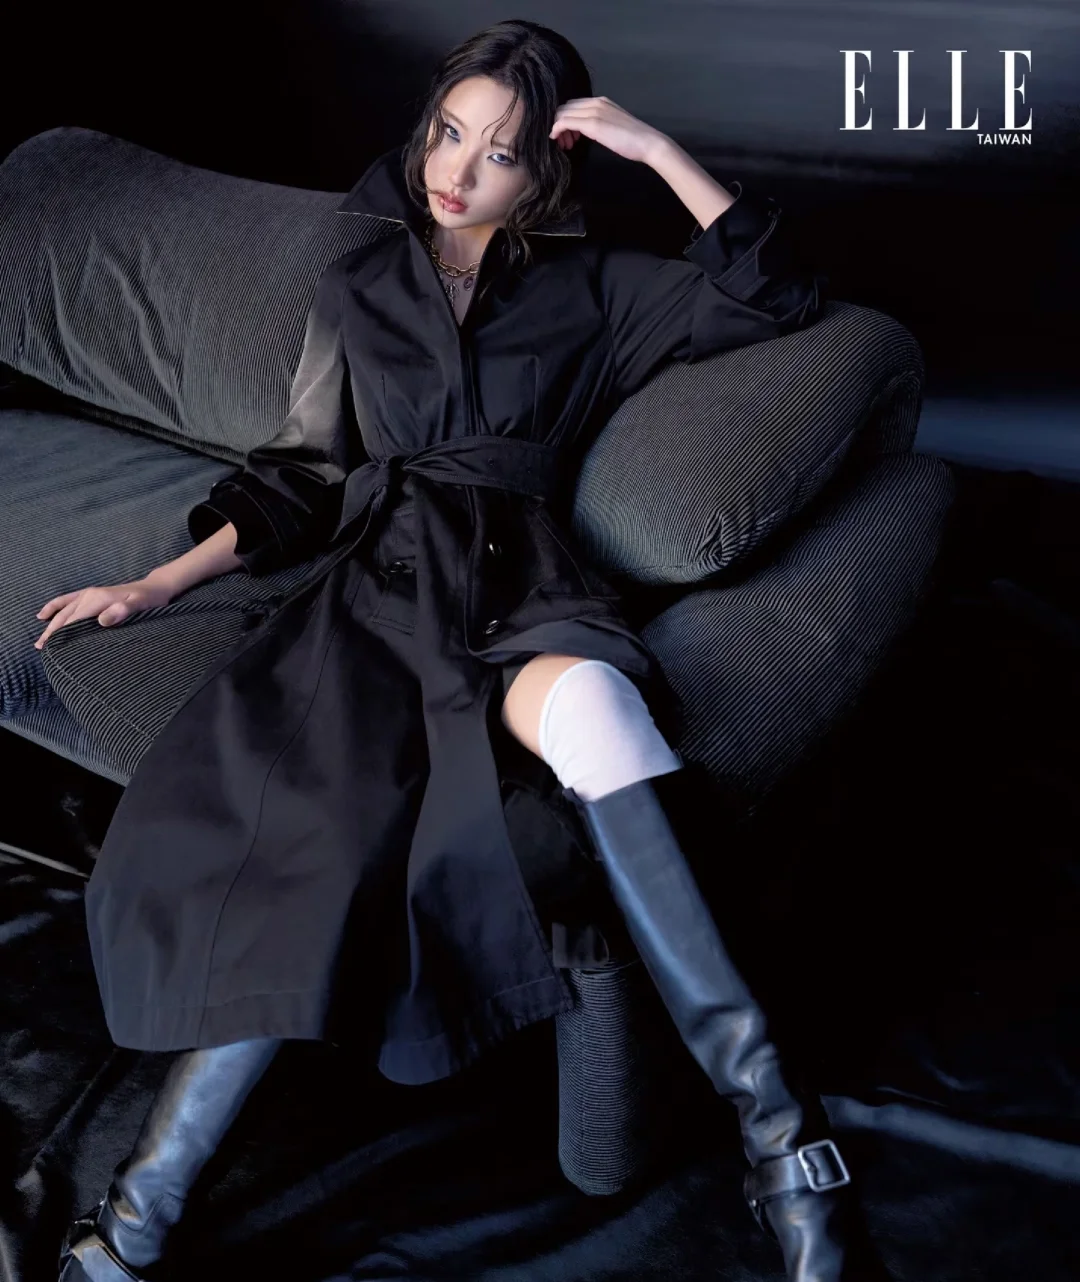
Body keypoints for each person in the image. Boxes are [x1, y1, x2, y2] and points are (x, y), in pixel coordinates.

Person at [37, 19, 887, 1282]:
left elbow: (777, 292)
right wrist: (156, 582)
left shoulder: (599, 292)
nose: (458, 170)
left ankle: (787, 1146)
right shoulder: (360, 287)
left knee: (600, 709)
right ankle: (135, 1218)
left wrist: (655, 149)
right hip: (377, 604)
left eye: (499, 152)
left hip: (522, 582)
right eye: (449, 134)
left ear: (543, 171)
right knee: (310, 854)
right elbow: (304, 473)